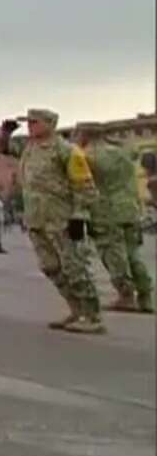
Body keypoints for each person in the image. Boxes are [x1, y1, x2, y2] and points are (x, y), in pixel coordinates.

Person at [0, 109, 104, 333]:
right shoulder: (29, 149)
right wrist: (4, 133)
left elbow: (85, 186)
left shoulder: (66, 150)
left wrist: (79, 215)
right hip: (37, 219)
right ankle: (76, 309)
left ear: (50, 124)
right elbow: (2, 149)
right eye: (29, 123)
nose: (30, 126)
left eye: (35, 122)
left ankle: (92, 316)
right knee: (50, 267)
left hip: (61, 219)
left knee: (75, 267)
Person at [76, 124, 152, 315]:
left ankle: (126, 295)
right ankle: (146, 296)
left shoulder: (87, 156)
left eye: (77, 134)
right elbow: (133, 149)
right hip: (129, 209)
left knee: (113, 254)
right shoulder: (124, 151)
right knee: (133, 254)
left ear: (85, 134)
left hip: (106, 212)